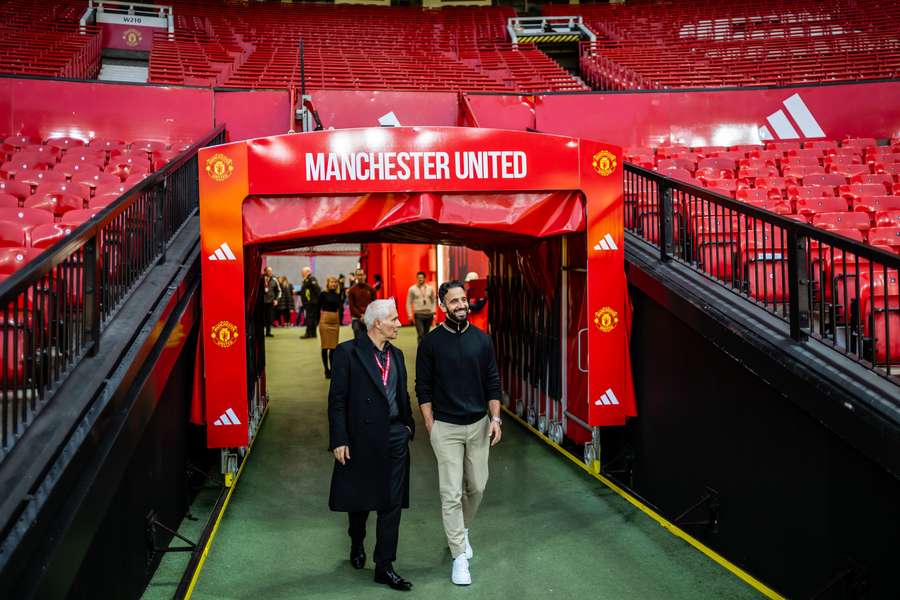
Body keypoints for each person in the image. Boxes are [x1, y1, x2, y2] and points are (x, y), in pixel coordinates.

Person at [415, 280, 502, 586]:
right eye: (454, 301)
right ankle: (459, 556)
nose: (462, 305)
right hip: (446, 428)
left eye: (464, 300)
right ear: (442, 306)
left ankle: (461, 530)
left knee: (477, 486)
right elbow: (422, 387)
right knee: (450, 492)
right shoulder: (430, 343)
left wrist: (496, 419)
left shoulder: (482, 340)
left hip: (479, 425)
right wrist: (430, 423)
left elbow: (492, 382)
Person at [328, 299, 415, 591]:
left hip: (393, 436)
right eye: (394, 319)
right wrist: (339, 438)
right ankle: (356, 540)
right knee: (361, 500)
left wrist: (407, 427)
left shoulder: (398, 355)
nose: (399, 323)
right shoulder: (347, 353)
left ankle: (384, 565)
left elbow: (402, 394)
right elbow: (337, 400)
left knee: (391, 503)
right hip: (361, 439)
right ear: (378, 323)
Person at [319, 276, 343, 378]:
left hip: (335, 321)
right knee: (325, 347)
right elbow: (317, 307)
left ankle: (333, 369)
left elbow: (340, 307)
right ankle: (326, 369)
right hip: (325, 321)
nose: (334, 284)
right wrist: (317, 320)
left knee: (334, 348)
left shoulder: (338, 295)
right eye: (332, 282)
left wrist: (340, 320)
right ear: (328, 283)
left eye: (335, 282)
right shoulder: (323, 294)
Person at [406, 271, 436, 344]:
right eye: (418, 278)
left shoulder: (430, 288)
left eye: (422, 278)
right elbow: (409, 302)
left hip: (429, 314)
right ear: (416, 278)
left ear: (424, 278)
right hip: (418, 314)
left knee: (426, 334)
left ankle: (425, 350)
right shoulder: (412, 289)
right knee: (421, 333)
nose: (420, 279)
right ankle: (421, 350)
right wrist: (410, 315)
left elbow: (434, 301)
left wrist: (433, 311)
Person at [347, 268, 376, 339]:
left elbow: (374, 304)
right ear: (356, 277)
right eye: (358, 275)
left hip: (369, 317)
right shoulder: (352, 290)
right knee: (358, 339)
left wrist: (367, 315)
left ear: (365, 276)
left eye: (362, 275)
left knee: (369, 340)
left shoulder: (371, 289)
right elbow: (352, 306)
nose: (360, 277)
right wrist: (360, 316)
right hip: (356, 318)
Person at [299, 266, 321, 339]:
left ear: (307, 272)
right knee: (311, 318)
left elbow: (317, 289)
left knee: (309, 318)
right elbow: (305, 291)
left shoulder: (311, 279)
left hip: (311, 303)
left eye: (303, 272)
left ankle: (309, 333)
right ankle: (313, 334)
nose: (301, 273)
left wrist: (317, 301)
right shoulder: (306, 280)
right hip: (308, 303)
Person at [261, 266, 281, 337]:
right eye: (269, 271)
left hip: (270, 302)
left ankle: (268, 332)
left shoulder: (274, 279)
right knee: (261, 318)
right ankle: (261, 333)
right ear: (265, 271)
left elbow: (279, 291)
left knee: (269, 318)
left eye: (271, 271)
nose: (270, 272)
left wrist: (276, 299)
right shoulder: (261, 279)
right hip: (261, 303)